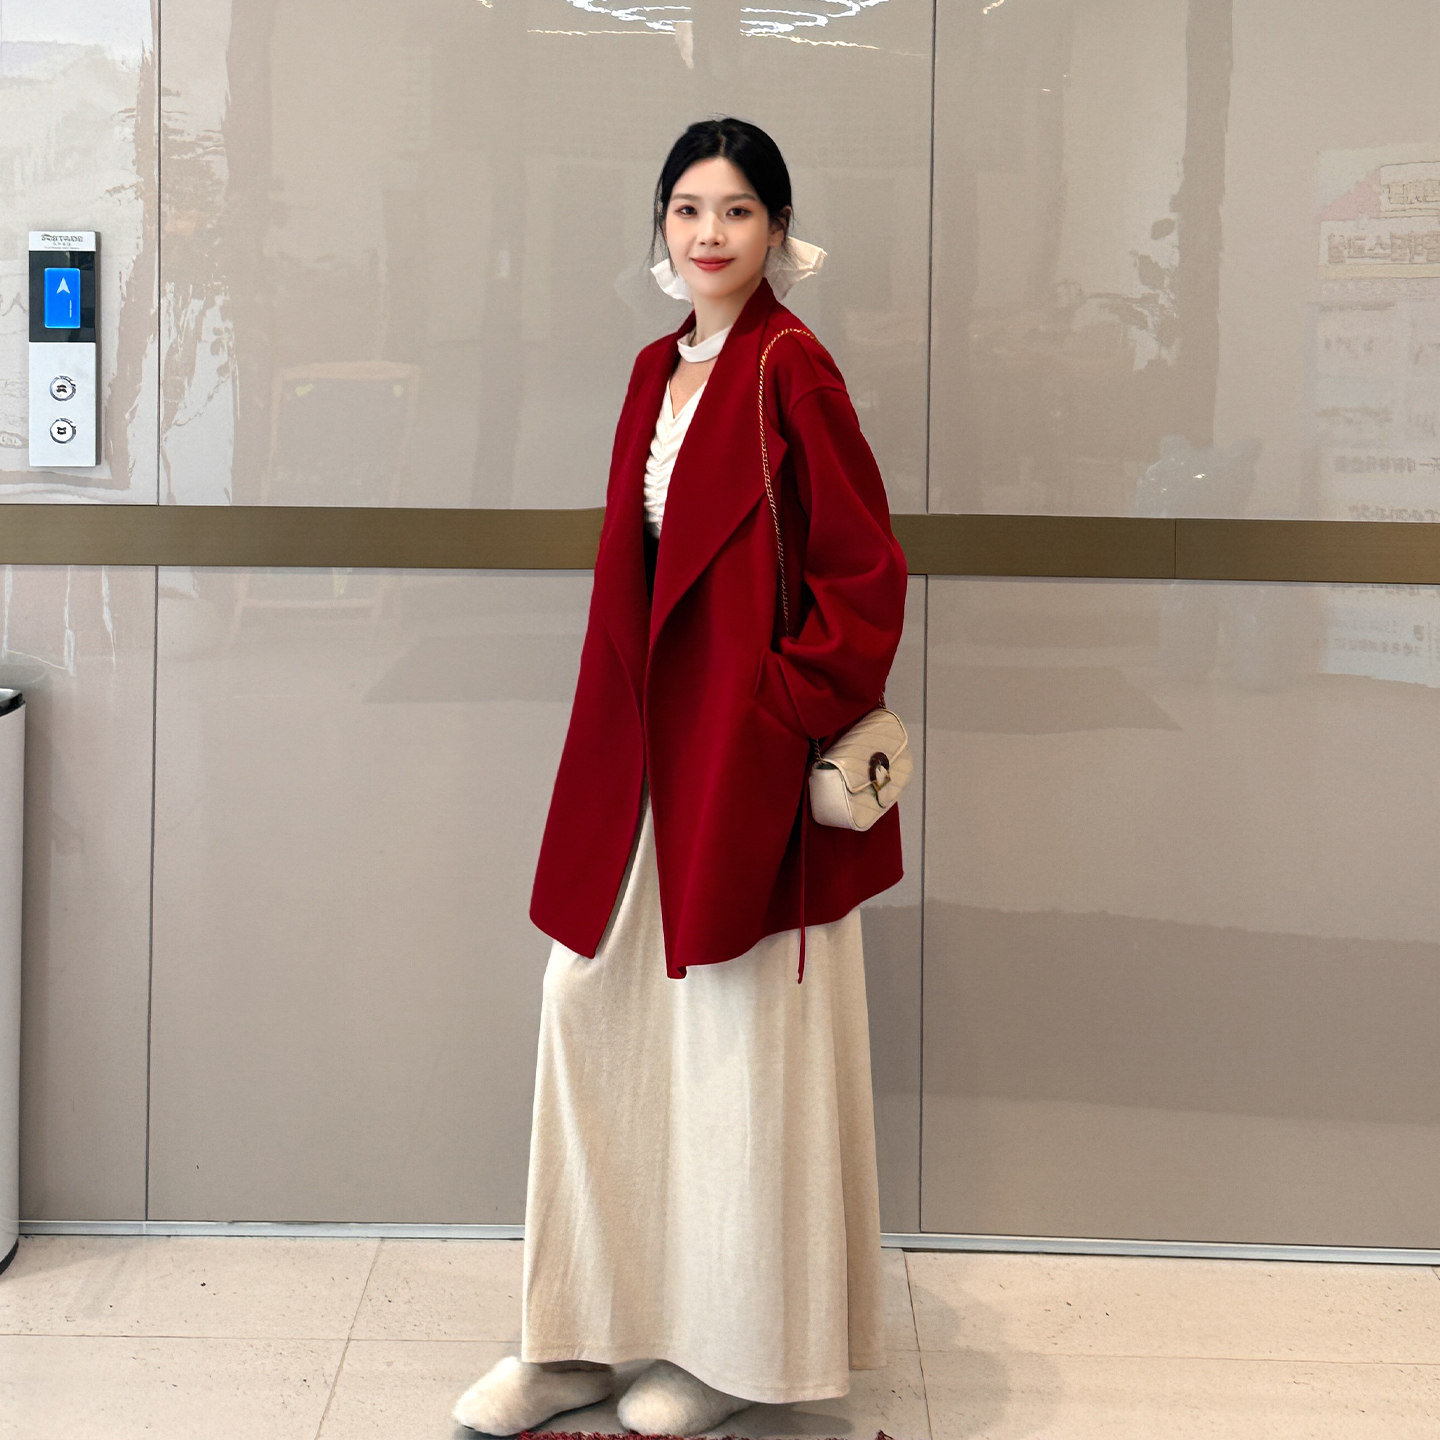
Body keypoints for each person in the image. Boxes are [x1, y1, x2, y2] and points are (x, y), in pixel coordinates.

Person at [454, 116, 908, 1438]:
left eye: (739, 210)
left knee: (736, 1048)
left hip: (742, 763)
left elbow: (865, 578)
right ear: (660, 223)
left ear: (779, 231)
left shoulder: (791, 369)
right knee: (590, 1011)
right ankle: (577, 1337)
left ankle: (729, 1346)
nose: (711, 233)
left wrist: (772, 715)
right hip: (643, 756)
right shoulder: (658, 369)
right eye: (689, 208)